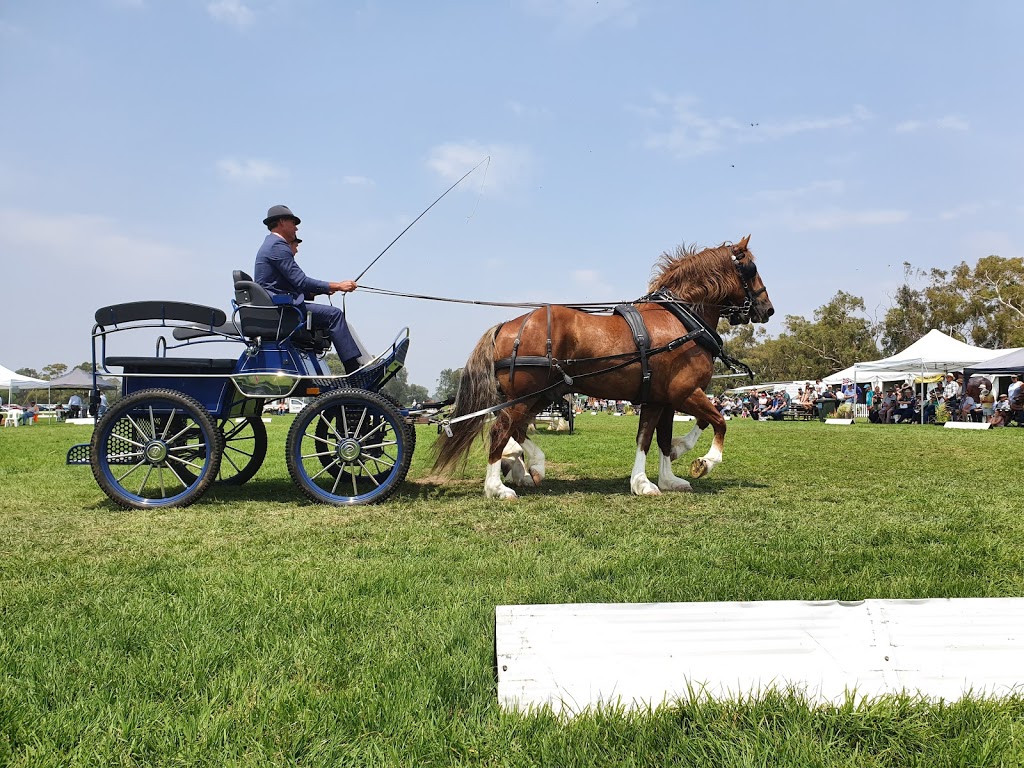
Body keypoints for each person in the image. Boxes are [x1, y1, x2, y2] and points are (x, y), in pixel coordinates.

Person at [253, 205, 362, 372]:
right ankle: (354, 370)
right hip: (281, 310)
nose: (296, 227)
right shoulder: (277, 245)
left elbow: (289, 284)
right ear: (282, 222)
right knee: (334, 315)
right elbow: (301, 281)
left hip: (278, 305)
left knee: (331, 316)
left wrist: (320, 290)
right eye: (293, 222)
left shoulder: (272, 244)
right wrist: (337, 286)